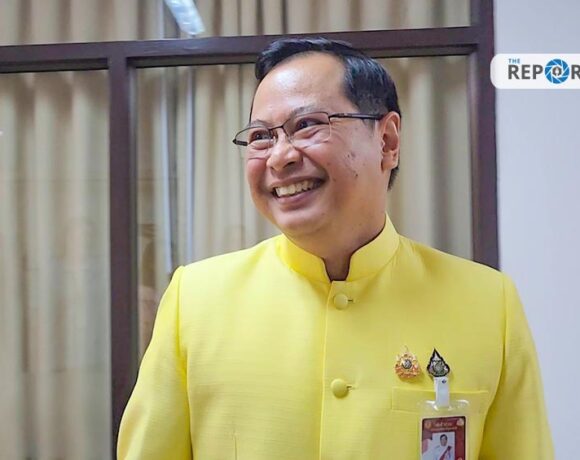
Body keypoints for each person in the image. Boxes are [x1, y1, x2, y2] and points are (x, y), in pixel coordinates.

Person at [117, 37, 554, 459]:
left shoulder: (487, 303)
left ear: (387, 141)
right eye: (261, 136)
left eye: (307, 125)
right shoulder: (196, 299)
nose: (280, 157)